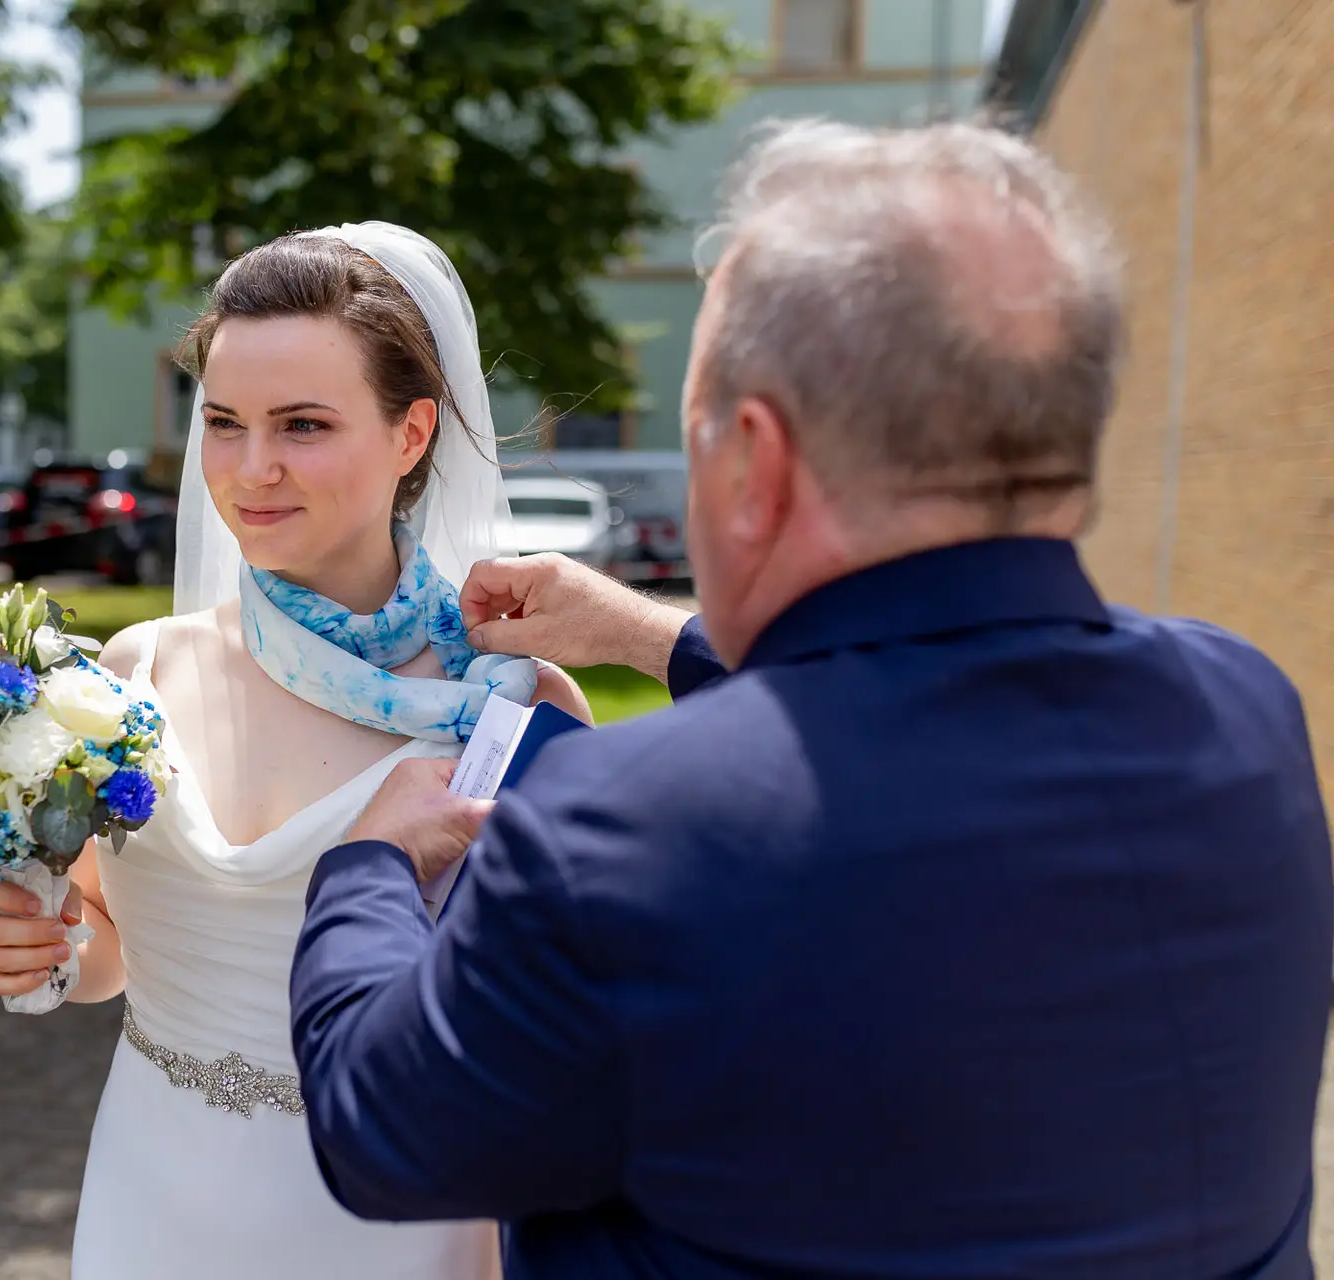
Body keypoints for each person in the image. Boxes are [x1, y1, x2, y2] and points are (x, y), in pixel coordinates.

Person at [289, 120, 1334, 1279]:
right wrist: (641, 631)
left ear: (754, 459)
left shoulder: (619, 837)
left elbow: (380, 1126)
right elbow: (914, 694)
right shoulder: (1245, 710)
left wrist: (370, 865)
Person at [0, 222, 588, 1278]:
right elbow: (108, 941)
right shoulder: (136, 671)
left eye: (303, 424)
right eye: (223, 422)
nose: (253, 470)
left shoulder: (512, 709)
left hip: (391, 1222)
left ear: (412, 433)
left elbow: (569, 1030)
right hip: (150, 1198)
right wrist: (43, 949)